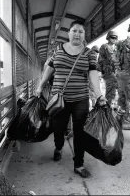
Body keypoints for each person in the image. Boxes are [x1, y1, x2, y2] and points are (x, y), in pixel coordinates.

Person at [36, 20, 107, 178]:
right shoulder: (59, 49)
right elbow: (50, 68)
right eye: (74, 30)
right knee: (58, 127)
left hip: (80, 98)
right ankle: (59, 146)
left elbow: (93, 76)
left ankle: (79, 164)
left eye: (81, 32)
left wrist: (99, 94)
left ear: (84, 35)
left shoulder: (89, 53)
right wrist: (40, 86)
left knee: (79, 131)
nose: (77, 34)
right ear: (68, 33)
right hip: (58, 98)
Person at [98, 31, 120, 109]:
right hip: (108, 72)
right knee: (111, 90)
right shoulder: (104, 47)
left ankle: (112, 106)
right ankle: (107, 107)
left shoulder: (117, 48)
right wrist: (102, 71)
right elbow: (100, 60)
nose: (114, 39)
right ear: (108, 38)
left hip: (116, 72)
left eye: (116, 38)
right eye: (112, 37)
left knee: (116, 90)